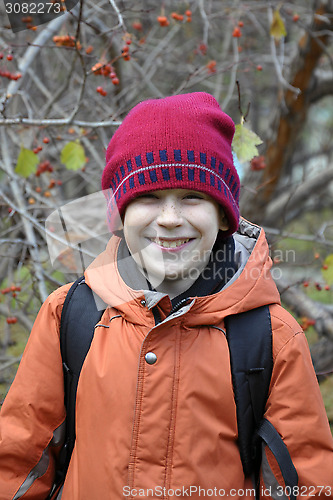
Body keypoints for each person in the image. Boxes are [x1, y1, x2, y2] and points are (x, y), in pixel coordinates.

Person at [0, 92, 332, 500]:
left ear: (224, 214)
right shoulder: (70, 315)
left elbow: (305, 484)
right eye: (149, 198)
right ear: (120, 215)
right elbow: (17, 464)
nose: (170, 219)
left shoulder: (271, 336)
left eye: (192, 197)